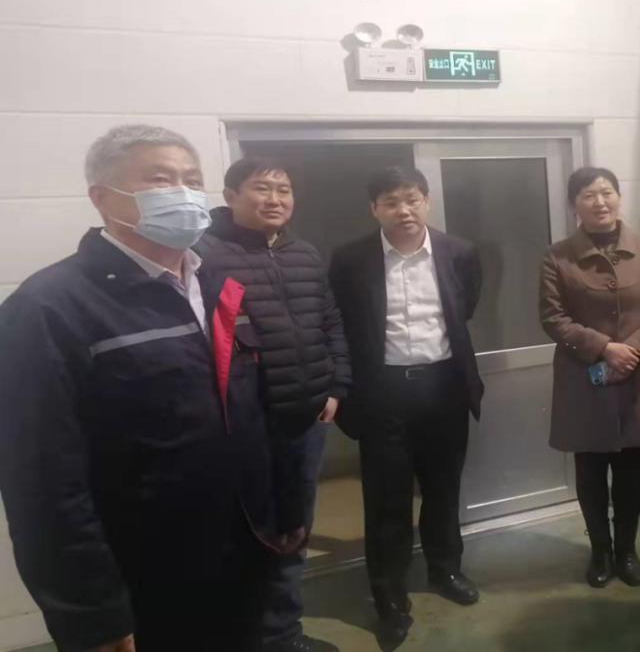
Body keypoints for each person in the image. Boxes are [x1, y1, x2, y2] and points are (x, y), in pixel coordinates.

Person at [0, 125, 307, 652]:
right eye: (161, 180)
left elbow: (251, 412)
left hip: (241, 551)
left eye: (193, 180)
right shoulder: (48, 309)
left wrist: (284, 508)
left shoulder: (218, 284)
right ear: (103, 198)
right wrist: (90, 614)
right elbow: (42, 482)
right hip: (145, 574)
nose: (184, 193)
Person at [194, 158, 350, 652]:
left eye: (283, 190)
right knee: (246, 534)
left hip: (304, 419)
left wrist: (335, 386)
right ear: (230, 196)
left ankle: (283, 634)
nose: (275, 199)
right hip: (245, 424)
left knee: (294, 530)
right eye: (262, 188)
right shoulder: (203, 255)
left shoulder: (303, 252)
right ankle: (245, 636)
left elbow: (330, 322)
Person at [328, 166, 484, 652]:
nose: (404, 210)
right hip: (383, 393)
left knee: (443, 488)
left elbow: (464, 309)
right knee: (386, 499)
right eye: (392, 202)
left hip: (444, 387)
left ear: (427, 201)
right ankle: (389, 597)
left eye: (412, 199)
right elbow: (340, 323)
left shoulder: (459, 252)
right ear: (374, 209)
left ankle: (445, 570)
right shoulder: (350, 259)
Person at [538, 167, 640, 589]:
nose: (599, 202)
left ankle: (626, 550)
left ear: (618, 197)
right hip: (583, 378)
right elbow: (552, 317)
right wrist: (603, 347)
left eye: (606, 192)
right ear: (574, 205)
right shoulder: (557, 256)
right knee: (590, 472)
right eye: (588, 195)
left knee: (631, 469)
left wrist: (632, 349)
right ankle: (600, 550)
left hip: (635, 375)